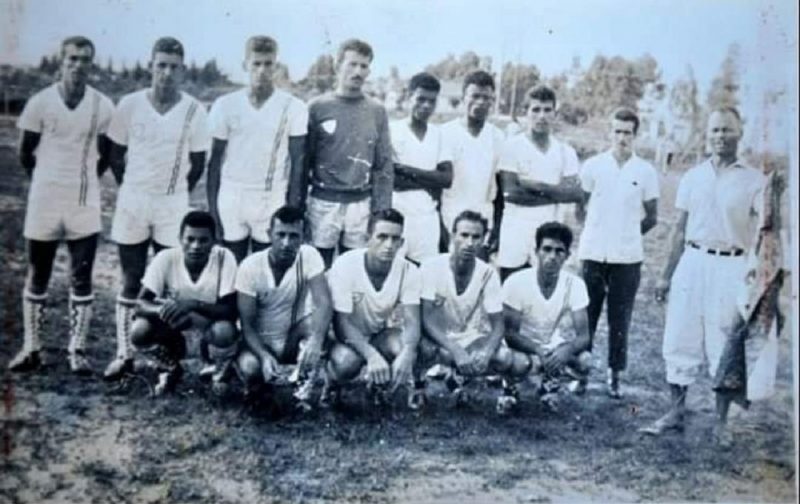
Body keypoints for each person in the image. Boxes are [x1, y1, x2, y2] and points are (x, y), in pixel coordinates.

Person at [640, 108, 767, 445]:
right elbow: (679, 230)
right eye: (715, 130)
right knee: (679, 336)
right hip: (692, 262)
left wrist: (758, 278)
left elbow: (765, 234)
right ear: (707, 134)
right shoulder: (693, 176)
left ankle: (721, 421)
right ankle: (676, 412)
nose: (720, 136)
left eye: (727, 130)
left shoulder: (755, 181)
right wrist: (666, 275)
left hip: (732, 265)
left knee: (723, 342)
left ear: (740, 133)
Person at [105, 37, 210, 380]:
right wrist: (132, 186)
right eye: (161, 65)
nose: (166, 73)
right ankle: (124, 354)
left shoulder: (194, 110)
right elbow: (115, 154)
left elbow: (197, 163)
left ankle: (166, 358)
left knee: (167, 284)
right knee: (131, 278)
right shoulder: (130, 105)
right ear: (151, 66)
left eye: (173, 67)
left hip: (172, 203)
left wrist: (173, 191)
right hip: (133, 200)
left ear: (182, 70)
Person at [8, 36, 114, 374]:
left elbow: (105, 155)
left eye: (85, 60)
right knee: (38, 272)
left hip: (83, 201)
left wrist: (83, 182)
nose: (78, 65)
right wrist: (45, 181)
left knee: (81, 276)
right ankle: (32, 348)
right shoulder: (40, 102)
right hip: (45, 199)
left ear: (91, 65)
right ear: (61, 61)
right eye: (73, 59)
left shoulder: (102, 105)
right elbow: (25, 152)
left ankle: (77, 351)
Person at [577, 107, 659, 398]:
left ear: (635, 136)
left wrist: (627, 235)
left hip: (627, 258)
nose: (622, 138)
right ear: (609, 133)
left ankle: (614, 377)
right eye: (617, 131)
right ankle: (582, 375)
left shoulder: (645, 171)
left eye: (627, 133)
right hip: (593, 254)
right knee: (586, 316)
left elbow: (652, 217)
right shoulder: (593, 166)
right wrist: (597, 232)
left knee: (619, 319)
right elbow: (580, 208)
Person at [207, 36, 308, 263]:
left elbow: (298, 163)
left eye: (268, 64)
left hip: (271, 196)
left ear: (276, 66)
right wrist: (213, 211)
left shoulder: (294, 107)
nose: (262, 70)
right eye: (256, 63)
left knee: (266, 266)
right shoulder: (225, 105)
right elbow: (214, 161)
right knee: (231, 265)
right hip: (232, 195)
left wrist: (292, 209)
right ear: (245, 65)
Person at [415, 211, 524, 411]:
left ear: (483, 240)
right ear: (452, 235)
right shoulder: (430, 267)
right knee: (420, 346)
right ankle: (418, 386)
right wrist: (455, 350)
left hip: (470, 337)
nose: (469, 243)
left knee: (504, 358)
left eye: (476, 237)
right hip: (437, 338)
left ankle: (461, 379)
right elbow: (426, 319)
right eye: (464, 235)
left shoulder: (488, 273)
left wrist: (486, 351)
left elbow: (498, 325)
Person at [306, 39, 393, 268]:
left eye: (364, 66)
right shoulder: (317, 107)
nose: (358, 72)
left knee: (354, 268)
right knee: (318, 266)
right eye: (352, 64)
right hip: (323, 202)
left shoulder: (377, 110)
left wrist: (381, 209)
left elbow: (383, 164)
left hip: (360, 204)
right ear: (338, 66)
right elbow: (305, 160)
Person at [234, 207, 333, 409]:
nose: (286, 243)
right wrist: (263, 355)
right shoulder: (250, 266)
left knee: (317, 326)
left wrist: (316, 340)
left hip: (290, 338)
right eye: (281, 235)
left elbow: (323, 302)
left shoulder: (309, 256)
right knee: (250, 368)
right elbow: (247, 326)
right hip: (258, 343)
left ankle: (302, 392)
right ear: (269, 234)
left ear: (303, 237)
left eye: (294, 236)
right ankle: (253, 384)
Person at [130, 211, 238, 395]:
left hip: (208, 329)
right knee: (139, 330)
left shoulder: (224, 258)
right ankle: (169, 367)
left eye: (203, 240)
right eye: (190, 239)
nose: (196, 246)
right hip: (174, 327)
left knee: (225, 330)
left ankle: (218, 371)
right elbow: (140, 303)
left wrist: (192, 304)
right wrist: (165, 309)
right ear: (180, 239)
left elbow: (231, 310)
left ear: (214, 241)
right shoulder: (166, 258)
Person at [323, 209, 421, 407]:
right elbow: (342, 324)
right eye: (382, 237)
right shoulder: (345, 265)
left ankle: (378, 385)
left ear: (401, 243)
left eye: (395, 239)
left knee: (403, 346)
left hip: (377, 333)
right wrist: (372, 355)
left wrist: (408, 352)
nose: (389, 245)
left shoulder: (409, 270)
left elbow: (413, 320)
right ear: (367, 238)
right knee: (346, 362)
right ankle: (331, 383)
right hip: (343, 338)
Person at [501, 222, 592, 413]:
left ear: (567, 256)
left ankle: (548, 386)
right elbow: (509, 334)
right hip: (520, 346)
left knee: (584, 360)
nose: (552, 256)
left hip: (549, 343)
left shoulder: (575, 285)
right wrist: (537, 350)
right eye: (547, 249)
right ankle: (510, 389)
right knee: (519, 363)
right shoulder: (516, 282)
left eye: (559, 251)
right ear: (536, 252)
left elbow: (584, 336)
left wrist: (567, 350)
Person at [497, 84, 583, 281]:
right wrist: (557, 194)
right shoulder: (512, 147)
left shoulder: (565, 151)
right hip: (516, 232)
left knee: (545, 291)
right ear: (525, 112)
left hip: (550, 234)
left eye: (547, 110)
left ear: (555, 114)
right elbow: (511, 193)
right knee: (512, 288)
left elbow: (574, 193)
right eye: (535, 110)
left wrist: (535, 185)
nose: (541, 116)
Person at [439, 70, 505, 257]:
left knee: (478, 272)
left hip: (483, 221)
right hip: (449, 218)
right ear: (463, 97)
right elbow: (436, 187)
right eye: (475, 96)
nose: (480, 102)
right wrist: (439, 226)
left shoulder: (498, 137)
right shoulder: (444, 133)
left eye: (486, 98)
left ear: (492, 101)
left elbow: (500, 190)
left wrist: (497, 228)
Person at [390, 72, 453, 265]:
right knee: (394, 270)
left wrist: (405, 169)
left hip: (427, 218)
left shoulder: (439, 134)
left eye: (432, 101)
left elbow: (446, 179)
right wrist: (430, 181)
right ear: (409, 97)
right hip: (397, 214)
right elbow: (391, 179)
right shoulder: (392, 130)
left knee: (426, 273)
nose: (426, 106)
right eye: (421, 99)